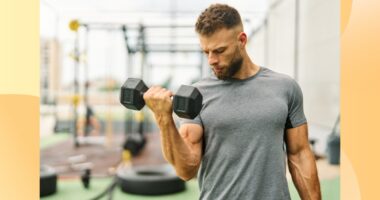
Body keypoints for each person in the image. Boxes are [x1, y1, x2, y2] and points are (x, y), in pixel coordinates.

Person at [143, 4, 321, 200]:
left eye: (219, 50)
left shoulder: (285, 87)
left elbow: (300, 155)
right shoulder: (197, 95)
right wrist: (163, 118)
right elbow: (186, 170)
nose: (211, 60)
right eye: (206, 52)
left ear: (242, 40)